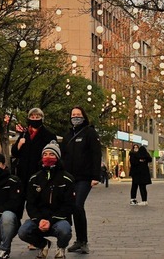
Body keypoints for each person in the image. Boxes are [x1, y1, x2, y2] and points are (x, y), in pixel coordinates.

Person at [18, 141, 74, 259]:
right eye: (45, 154)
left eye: (52, 154)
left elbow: (68, 206)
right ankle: (43, 245)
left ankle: (61, 247)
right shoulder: (34, 179)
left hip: (59, 219)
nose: (48, 157)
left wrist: (50, 220)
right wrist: (39, 220)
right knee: (23, 232)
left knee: (64, 230)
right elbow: (30, 204)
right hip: (39, 219)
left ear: (58, 157)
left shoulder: (67, 179)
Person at [61, 106, 101, 254]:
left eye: (78, 114)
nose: (75, 117)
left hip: (84, 178)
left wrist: (95, 176)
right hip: (69, 178)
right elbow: (63, 156)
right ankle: (78, 240)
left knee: (78, 205)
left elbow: (96, 155)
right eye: (73, 115)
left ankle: (83, 242)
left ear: (84, 116)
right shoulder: (68, 134)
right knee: (72, 207)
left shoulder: (90, 132)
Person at [11, 108, 57, 199]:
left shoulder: (49, 135)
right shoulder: (24, 134)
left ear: (42, 118)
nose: (35, 119)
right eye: (32, 117)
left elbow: (54, 155)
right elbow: (15, 153)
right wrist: (19, 145)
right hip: (23, 175)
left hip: (39, 173)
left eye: (37, 117)